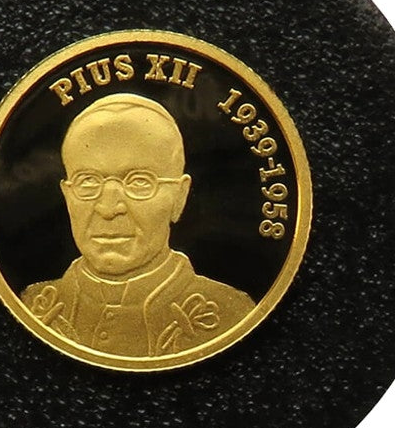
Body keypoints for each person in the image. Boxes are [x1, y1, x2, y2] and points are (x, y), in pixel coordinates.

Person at [21, 94, 254, 357]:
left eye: (139, 182)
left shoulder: (231, 314)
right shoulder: (31, 305)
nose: (108, 208)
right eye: (88, 181)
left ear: (179, 197)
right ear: (67, 196)